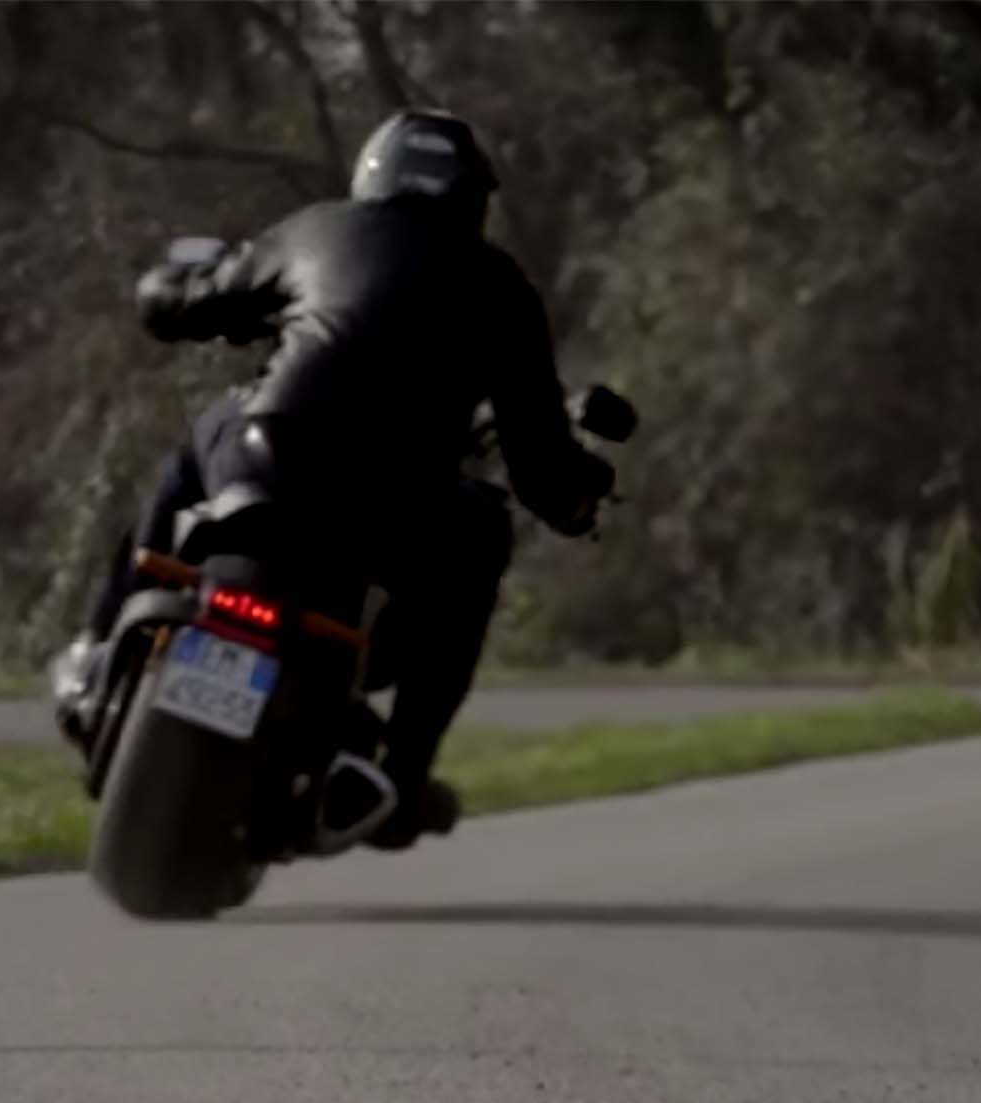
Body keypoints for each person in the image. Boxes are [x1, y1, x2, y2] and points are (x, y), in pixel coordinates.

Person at [53, 109, 615, 849]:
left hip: (268, 460)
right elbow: (541, 467)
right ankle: (404, 770)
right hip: (388, 511)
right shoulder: (501, 286)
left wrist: (165, 285)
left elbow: (185, 301)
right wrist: (579, 499)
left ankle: (97, 647)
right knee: (485, 527)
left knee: (206, 432)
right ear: (472, 197)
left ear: (372, 173)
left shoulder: (316, 231)